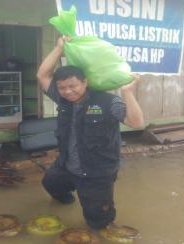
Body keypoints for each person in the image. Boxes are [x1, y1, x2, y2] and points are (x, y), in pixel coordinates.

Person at [36, 36, 144, 230]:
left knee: (98, 220)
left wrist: (127, 93)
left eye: (72, 86)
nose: (67, 91)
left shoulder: (107, 102)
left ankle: (101, 223)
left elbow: (136, 123)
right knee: (50, 183)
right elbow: (43, 75)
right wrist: (59, 48)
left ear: (85, 82)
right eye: (62, 88)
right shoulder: (63, 100)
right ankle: (68, 202)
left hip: (97, 171)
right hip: (67, 164)